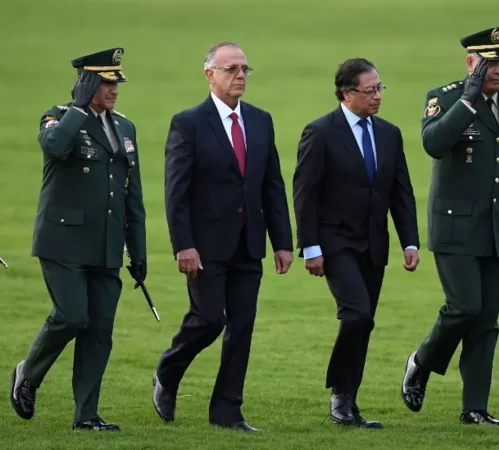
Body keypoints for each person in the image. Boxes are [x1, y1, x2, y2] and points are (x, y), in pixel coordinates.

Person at [154, 42, 294, 432]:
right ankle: (168, 371)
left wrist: (282, 242)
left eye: (245, 69)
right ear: (209, 74)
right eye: (231, 68)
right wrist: (184, 243)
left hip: (250, 243)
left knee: (243, 326)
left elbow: (272, 185)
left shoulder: (261, 120)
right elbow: (175, 191)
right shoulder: (188, 123)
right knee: (209, 319)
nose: (240, 76)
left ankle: (227, 411)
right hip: (204, 245)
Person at [400, 27, 499, 426]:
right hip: (455, 229)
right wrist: (468, 99)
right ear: (471, 63)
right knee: (464, 307)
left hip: (498, 229)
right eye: (490, 63)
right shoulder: (444, 97)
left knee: (486, 321)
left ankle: (474, 407)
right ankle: (421, 362)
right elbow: (434, 143)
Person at [10, 48, 147, 431]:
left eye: (116, 81)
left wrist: (138, 251)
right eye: (105, 82)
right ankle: (28, 373)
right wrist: (78, 107)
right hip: (63, 242)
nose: (114, 89)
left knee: (99, 332)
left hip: (105, 247)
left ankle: (86, 416)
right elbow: (53, 148)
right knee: (72, 316)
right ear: (86, 83)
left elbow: (130, 195)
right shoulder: (59, 117)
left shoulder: (125, 127)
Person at [293, 57, 420, 428]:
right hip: (335, 243)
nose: (378, 96)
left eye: (380, 88)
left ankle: (349, 400)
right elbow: (305, 194)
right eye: (370, 91)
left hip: (373, 245)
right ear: (348, 95)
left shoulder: (389, 133)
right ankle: (340, 397)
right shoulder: (320, 132)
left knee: (365, 322)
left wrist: (409, 242)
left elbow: (401, 192)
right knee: (356, 314)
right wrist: (311, 247)